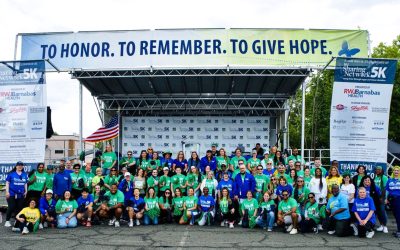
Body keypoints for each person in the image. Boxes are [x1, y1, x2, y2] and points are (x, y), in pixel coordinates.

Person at [4, 161, 29, 227]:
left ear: (23, 166)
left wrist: (26, 191)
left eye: (21, 165)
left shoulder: (24, 174)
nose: (20, 166)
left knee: (19, 208)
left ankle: (17, 221)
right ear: (16, 166)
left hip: (21, 194)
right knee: (11, 206)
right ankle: (7, 221)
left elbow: (25, 183)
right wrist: (7, 192)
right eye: (18, 165)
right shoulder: (11, 174)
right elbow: (7, 183)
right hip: (11, 193)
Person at [385, 165, 400, 238]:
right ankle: (398, 230)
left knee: (398, 215)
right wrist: (386, 199)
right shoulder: (389, 180)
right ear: (393, 171)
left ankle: (399, 231)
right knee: (395, 215)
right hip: (391, 199)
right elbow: (387, 190)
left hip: (399, 199)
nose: (396, 171)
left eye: (397, 170)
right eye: (395, 170)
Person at [373, 166, 389, 233]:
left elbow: (386, 188)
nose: (378, 170)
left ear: (382, 170)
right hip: (376, 197)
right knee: (378, 212)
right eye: (376, 169)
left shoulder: (384, 177)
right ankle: (381, 225)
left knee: (382, 211)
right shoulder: (375, 178)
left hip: (382, 197)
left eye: (379, 169)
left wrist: (385, 198)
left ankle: (385, 226)